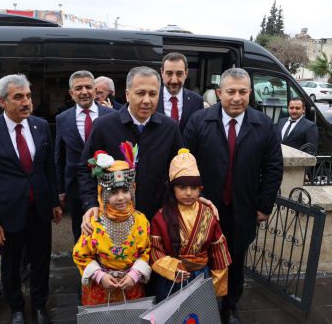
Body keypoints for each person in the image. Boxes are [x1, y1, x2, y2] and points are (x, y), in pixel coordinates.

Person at [184, 68, 283, 324]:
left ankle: (229, 308)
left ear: (250, 93)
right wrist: (186, 202)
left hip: (243, 208)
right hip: (204, 207)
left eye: (242, 92)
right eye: (230, 92)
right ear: (219, 93)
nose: (236, 98)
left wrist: (264, 205)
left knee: (236, 260)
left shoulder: (264, 125)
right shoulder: (198, 121)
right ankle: (200, 305)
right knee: (199, 258)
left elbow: (273, 168)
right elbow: (185, 163)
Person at [0, 74, 62, 324]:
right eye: (18, 97)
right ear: (2, 102)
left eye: (29, 96)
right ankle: (17, 309)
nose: (26, 102)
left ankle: (40, 306)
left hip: (40, 210)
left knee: (41, 262)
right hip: (7, 214)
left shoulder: (41, 126)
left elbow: (48, 169)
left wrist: (54, 201)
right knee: (11, 266)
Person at [79, 66, 183, 230]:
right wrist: (90, 204)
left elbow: (181, 171)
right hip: (113, 219)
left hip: (157, 219)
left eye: (153, 94)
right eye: (140, 93)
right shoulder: (104, 126)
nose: (147, 100)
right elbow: (85, 170)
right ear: (127, 94)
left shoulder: (170, 128)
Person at [73, 145, 151, 305]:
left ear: (133, 190)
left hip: (131, 287)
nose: (121, 198)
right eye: (114, 193)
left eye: (125, 191)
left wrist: (135, 275)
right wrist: (99, 276)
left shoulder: (141, 220)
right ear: (103, 194)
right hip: (100, 289)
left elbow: (147, 251)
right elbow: (81, 254)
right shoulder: (94, 221)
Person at [150, 148, 231, 303]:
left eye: (194, 188)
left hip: (201, 277)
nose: (189, 193)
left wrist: (215, 284)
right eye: (182, 188)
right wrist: (173, 267)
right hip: (173, 278)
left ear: (200, 189)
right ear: (172, 188)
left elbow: (219, 250)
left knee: (199, 312)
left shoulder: (208, 213)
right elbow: (155, 251)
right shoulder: (161, 216)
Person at [55, 70, 114, 242]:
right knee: (81, 233)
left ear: (95, 90)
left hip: (109, 186)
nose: (84, 92)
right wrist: (60, 190)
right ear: (71, 93)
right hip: (75, 188)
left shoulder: (111, 115)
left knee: (109, 233)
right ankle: (84, 268)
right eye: (78, 88)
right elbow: (59, 156)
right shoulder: (62, 119)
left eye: (88, 87)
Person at [157, 52, 204, 133]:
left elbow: (199, 131)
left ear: (186, 74)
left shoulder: (197, 101)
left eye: (179, 74)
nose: (174, 80)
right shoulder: (152, 98)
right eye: (169, 73)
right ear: (162, 72)